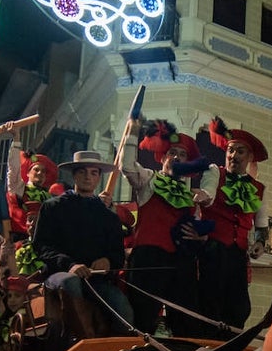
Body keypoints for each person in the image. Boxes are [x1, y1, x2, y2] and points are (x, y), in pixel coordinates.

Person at [121, 117, 218, 336]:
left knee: (186, 321)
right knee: (142, 318)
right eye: (172, 153)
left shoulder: (192, 197)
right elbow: (126, 166)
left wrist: (200, 237)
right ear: (163, 157)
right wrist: (132, 133)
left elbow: (211, 168)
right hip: (148, 259)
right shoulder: (149, 180)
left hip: (180, 263)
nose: (176, 158)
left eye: (182, 155)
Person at [32, 149, 135, 339]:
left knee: (124, 312)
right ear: (74, 175)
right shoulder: (53, 207)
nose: (88, 177)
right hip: (59, 275)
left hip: (96, 281)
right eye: (82, 172)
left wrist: (108, 261)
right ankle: (82, 344)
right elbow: (41, 246)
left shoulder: (109, 217)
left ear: (99, 178)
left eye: (93, 173)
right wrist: (70, 265)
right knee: (70, 282)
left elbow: (117, 254)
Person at [198, 116, 269, 336]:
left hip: (237, 254)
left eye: (240, 151)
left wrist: (259, 242)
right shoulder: (214, 172)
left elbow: (262, 223)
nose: (233, 155)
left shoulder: (258, 188)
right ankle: (208, 347)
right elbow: (208, 194)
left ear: (249, 158)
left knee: (240, 307)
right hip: (212, 249)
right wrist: (204, 197)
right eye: (230, 150)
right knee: (210, 303)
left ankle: (229, 349)